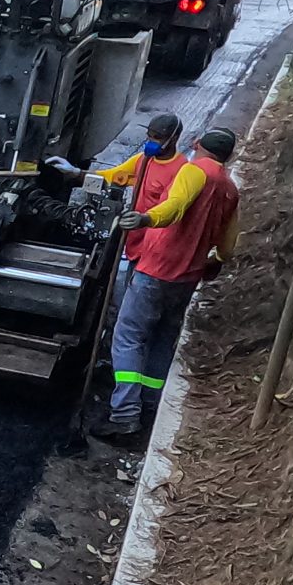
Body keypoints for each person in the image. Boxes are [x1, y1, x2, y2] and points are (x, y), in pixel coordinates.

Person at [94, 127, 241, 441]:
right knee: (162, 340)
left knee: (128, 338)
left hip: (157, 270)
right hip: (187, 279)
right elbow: (227, 249)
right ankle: (148, 407)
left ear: (197, 145)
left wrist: (146, 219)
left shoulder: (193, 172)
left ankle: (124, 416)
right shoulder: (230, 189)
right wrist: (209, 261)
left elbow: (174, 207)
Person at [49, 112, 185, 272]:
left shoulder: (181, 170)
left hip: (156, 249)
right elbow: (110, 177)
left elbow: (173, 211)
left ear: (174, 138)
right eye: (149, 136)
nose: (151, 142)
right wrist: (76, 173)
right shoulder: (142, 160)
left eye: (157, 137)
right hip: (135, 242)